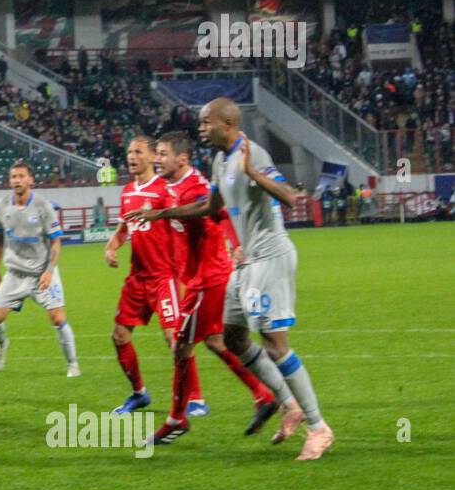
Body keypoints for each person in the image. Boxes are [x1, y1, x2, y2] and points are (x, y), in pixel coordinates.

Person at [126, 98, 333, 460]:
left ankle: (318, 427)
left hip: (271, 257)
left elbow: (290, 197)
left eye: (207, 123)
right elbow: (210, 207)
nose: (201, 128)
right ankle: (288, 404)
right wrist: (161, 213)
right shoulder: (221, 161)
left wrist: (255, 174)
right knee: (234, 338)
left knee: (274, 343)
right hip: (246, 263)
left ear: (229, 122)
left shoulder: (254, 154)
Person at [142, 132, 279, 443]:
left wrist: (235, 244)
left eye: (162, 154)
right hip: (196, 280)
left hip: (210, 279)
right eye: (156, 154)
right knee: (217, 343)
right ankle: (263, 395)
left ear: (182, 159)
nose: (157, 159)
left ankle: (177, 418)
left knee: (181, 346)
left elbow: (221, 211)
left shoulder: (196, 187)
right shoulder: (170, 187)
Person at [104, 136, 178, 413]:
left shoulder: (164, 189)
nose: (131, 156)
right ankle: (139, 393)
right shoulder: (127, 192)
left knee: (173, 340)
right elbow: (124, 228)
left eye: (137, 151)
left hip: (163, 276)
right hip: (137, 278)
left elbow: (182, 223)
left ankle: (188, 399)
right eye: (129, 152)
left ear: (151, 156)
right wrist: (112, 247)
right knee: (119, 335)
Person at [0, 161, 81, 378]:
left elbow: (56, 242)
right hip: (15, 274)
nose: (17, 180)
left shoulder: (42, 206)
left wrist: (49, 271)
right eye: (13, 177)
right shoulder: (2, 205)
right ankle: (2, 346)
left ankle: (72, 364)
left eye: (21, 176)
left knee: (58, 318)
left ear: (30, 180)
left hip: (42, 274)